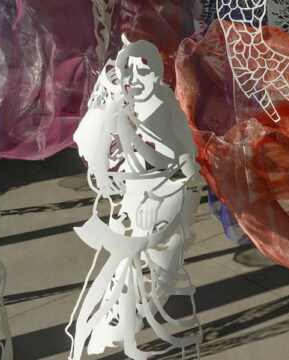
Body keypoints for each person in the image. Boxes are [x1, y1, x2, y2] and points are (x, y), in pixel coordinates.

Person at [68, 38, 203, 360]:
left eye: (143, 72)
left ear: (157, 75)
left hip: (162, 207)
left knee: (156, 275)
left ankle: (129, 325)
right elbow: (85, 144)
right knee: (121, 275)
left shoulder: (165, 105)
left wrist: (162, 194)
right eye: (126, 72)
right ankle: (114, 329)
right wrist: (106, 108)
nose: (133, 80)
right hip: (129, 205)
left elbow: (188, 165)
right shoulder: (118, 106)